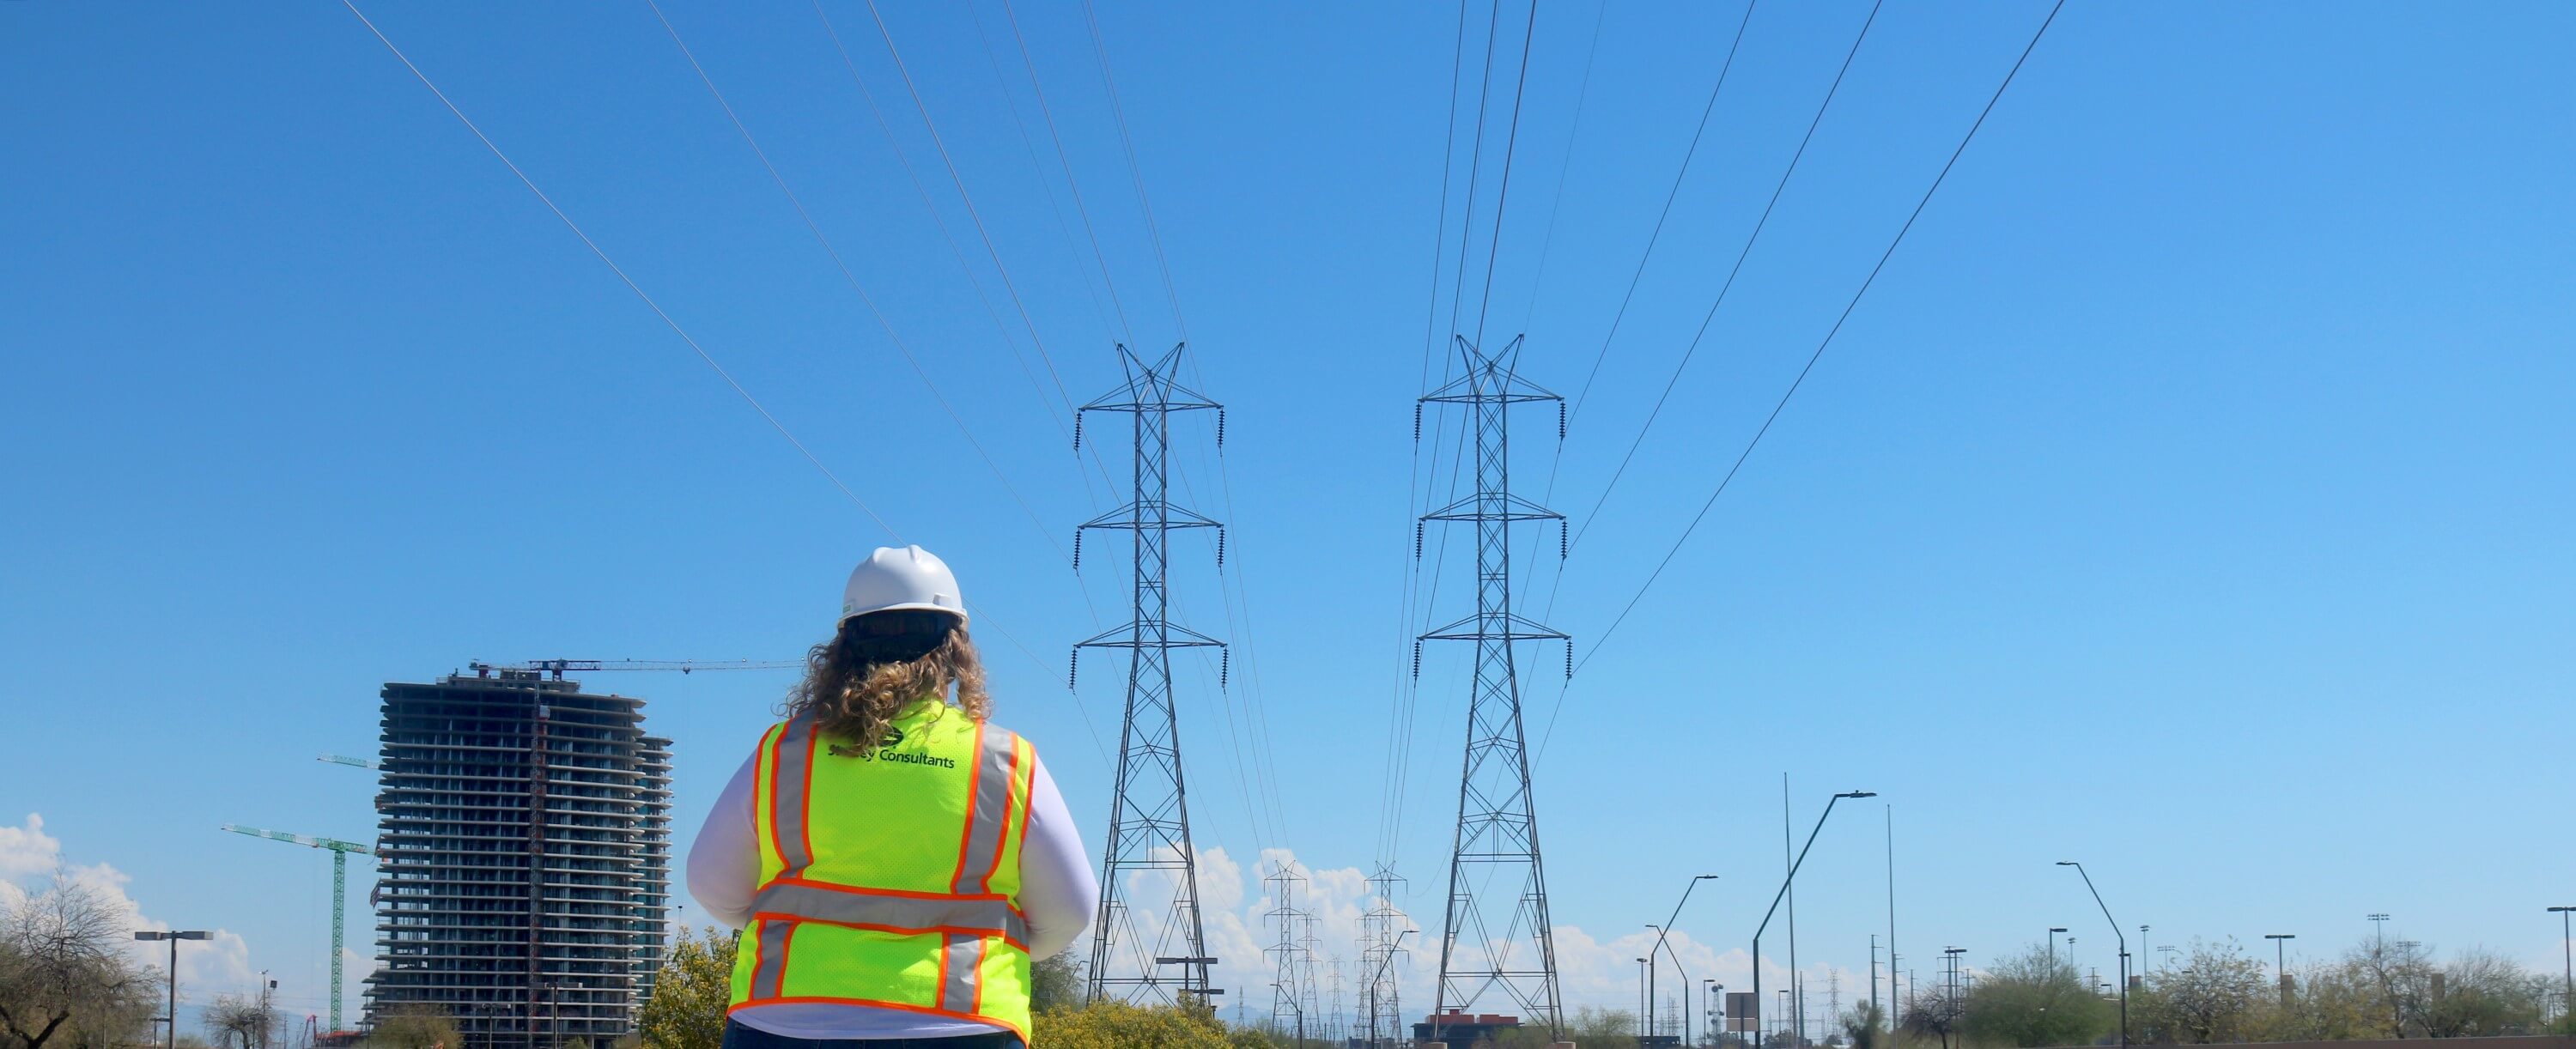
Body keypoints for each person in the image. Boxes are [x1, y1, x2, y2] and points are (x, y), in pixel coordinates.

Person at [689, 545, 1097, 1048]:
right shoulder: (1005, 760)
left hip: (783, 1022)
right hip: (965, 1025)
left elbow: (710, 884)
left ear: (843, 649)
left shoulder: (783, 752)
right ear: (955, 648)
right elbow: (1070, 911)